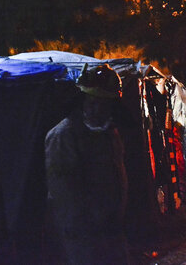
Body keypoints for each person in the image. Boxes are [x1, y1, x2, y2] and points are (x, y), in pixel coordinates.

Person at [45, 64, 129, 264]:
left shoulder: (109, 133)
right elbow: (63, 192)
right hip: (83, 236)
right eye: (93, 102)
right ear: (82, 100)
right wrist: (82, 230)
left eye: (105, 103)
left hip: (110, 228)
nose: (98, 109)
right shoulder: (63, 135)